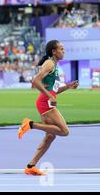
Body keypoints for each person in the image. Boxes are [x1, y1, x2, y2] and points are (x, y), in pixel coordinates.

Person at [18, 40, 79, 175]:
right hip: (45, 102)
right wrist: (49, 96)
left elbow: (54, 90)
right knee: (64, 131)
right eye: (61, 49)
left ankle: (30, 166)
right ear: (53, 51)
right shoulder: (50, 63)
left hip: (46, 101)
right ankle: (30, 124)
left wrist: (68, 86)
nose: (63, 51)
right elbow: (35, 81)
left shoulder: (54, 66)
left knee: (50, 136)